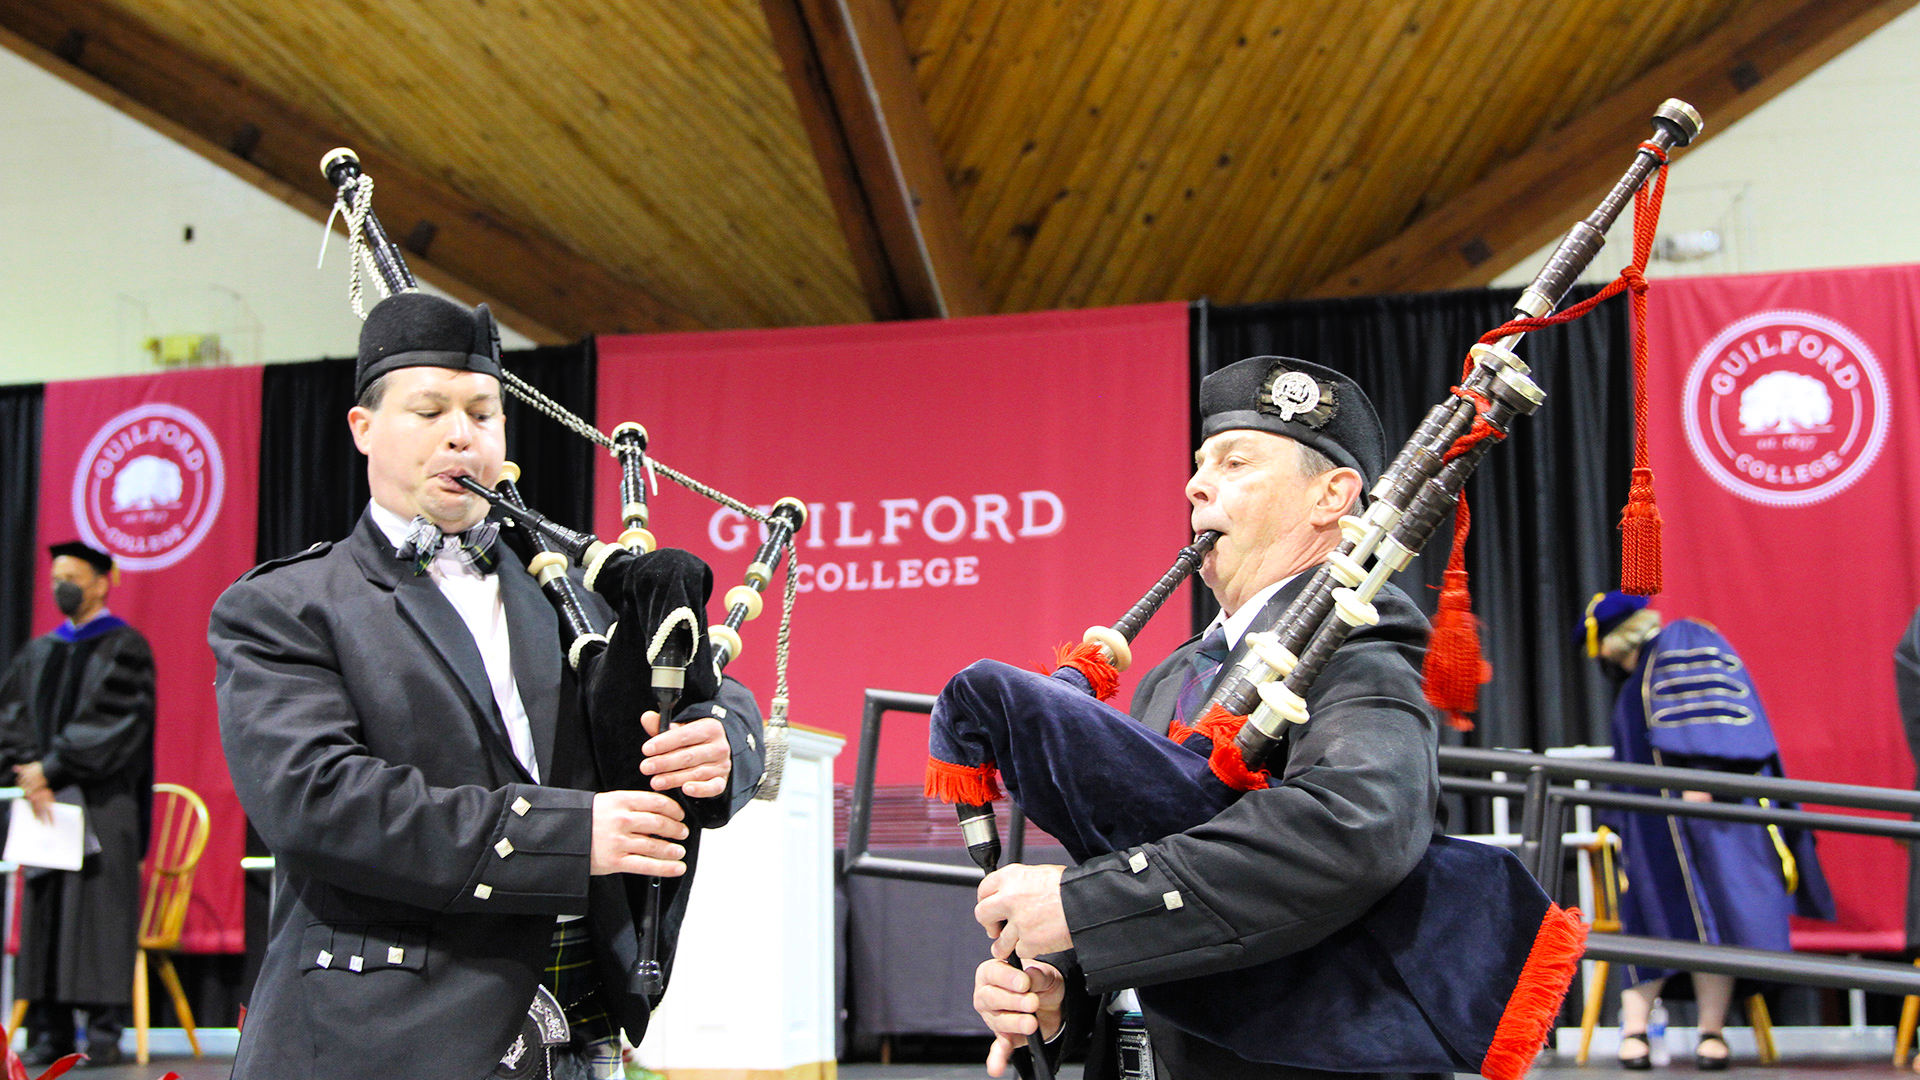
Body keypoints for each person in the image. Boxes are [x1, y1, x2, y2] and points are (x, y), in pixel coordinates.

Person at [210, 291, 765, 1080]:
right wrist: (569, 837)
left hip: (579, 1021)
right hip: (381, 1032)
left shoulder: (571, 585)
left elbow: (712, 683)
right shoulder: (285, 606)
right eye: (429, 410)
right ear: (363, 429)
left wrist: (724, 743)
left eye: (482, 411)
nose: (461, 435)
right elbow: (317, 802)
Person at [970, 355, 1447, 1079]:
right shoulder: (1171, 677)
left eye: (1234, 462)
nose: (1196, 485)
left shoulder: (1358, 638)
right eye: (1199, 464)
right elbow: (1152, 877)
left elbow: (1355, 829)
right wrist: (1060, 990)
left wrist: (1082, 904)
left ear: (1331, 496)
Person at [1582, 592, 1833, 1072]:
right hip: (1655, 826)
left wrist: (1701, 773)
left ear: (1615, 639)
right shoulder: (1638, 676)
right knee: (1651, 924)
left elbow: (1708, 715)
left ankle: (1710, 1033)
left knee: (1710, 926)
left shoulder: (1680, 640)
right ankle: (1635, 1031)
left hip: (1706, 822)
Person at [0, 540, 155, 1068]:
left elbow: (114, 725)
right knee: (46, 913)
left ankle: (105, 1034)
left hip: (101, 800)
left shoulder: (125, 648)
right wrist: (28, 768)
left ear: (102, 580)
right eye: (54, 577)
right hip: (45, 802)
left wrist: (53, 766)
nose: (59, 584)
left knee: (98, 914)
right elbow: (12, 716)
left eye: (71, 574)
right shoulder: (39, 650)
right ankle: (49, 1030)